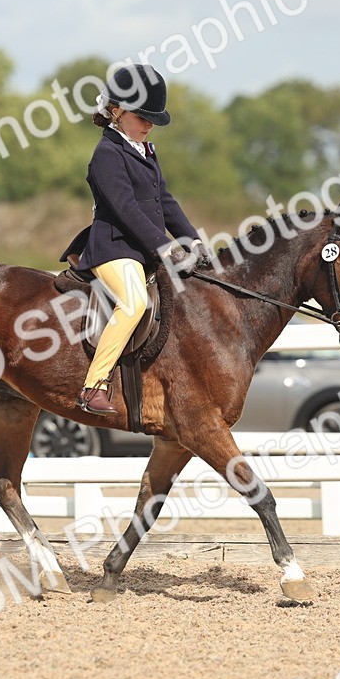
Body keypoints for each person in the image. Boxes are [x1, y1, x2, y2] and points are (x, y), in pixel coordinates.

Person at [59, 64, 206, 415]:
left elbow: (164, 201)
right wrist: (165, 247)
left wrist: (193, 241)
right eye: (142, 117)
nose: (149, 124)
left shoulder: (145, 151)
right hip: (114, 248)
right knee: (134, 302)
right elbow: (126, 209)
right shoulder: (106, 155)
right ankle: (94, 385)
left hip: (143, 249)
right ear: (117, 111)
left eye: (152, 119)